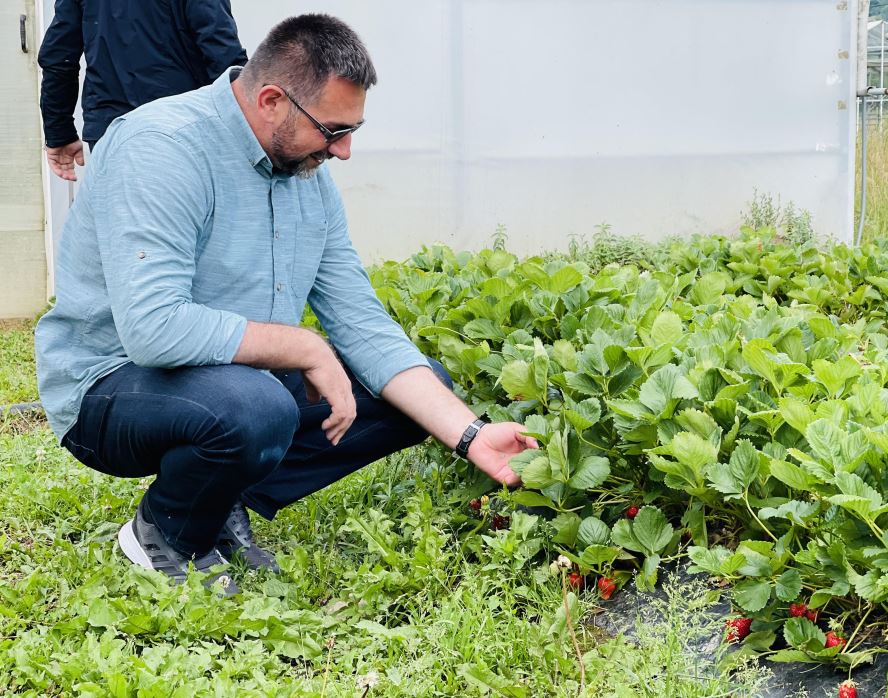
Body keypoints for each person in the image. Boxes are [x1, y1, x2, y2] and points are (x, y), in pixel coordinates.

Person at [34, 13, 536, 595]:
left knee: (411, 392)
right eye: (333, 130)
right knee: (258, 405)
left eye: (353, 130)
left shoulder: (305, 174)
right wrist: (301, 345)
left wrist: (471, 435)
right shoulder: (161, 147)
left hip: (227, 385)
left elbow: (362, 322)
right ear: (272, 100)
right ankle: (164, 533)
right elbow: (152, 328)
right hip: (111, 386)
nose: (345, 151)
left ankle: (220, 499)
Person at [38, 0, 248, 181]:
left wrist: (60, 132)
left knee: (122, 222)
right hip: (182, 127)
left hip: (113, 131)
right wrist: (248, 131)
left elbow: (59, 57)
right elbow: (222, 53)